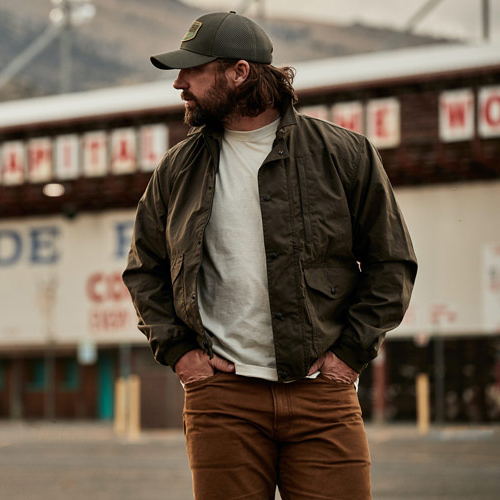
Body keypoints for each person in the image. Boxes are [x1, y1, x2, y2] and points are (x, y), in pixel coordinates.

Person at [123, 10, 417, 500]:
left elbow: (392, 263)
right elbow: (144, 270)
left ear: (239, 72)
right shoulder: (177, 169)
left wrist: (349, 355)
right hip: (222, 401)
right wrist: (181, 355)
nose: (179, 83)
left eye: (193, 70)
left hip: (321, 394)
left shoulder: (343, 154)